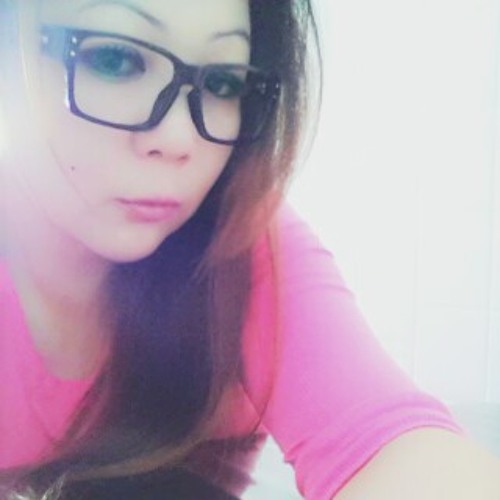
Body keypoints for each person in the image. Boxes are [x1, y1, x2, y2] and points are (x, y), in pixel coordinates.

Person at [0, 1, 499, 499]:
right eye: (114, 59)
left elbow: (393, 443)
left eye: (223, 83)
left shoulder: (237, 239)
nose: (179, 136)